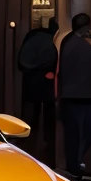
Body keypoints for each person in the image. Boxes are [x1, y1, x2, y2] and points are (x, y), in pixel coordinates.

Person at [57, 11, 91, 181]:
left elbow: (61, 69)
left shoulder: (65, 42)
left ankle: (73, 165)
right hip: (90, 96)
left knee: (72, 133)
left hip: (68, 95)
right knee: (88, 132)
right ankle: (78, 161)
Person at [16, 17, 59, 161]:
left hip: (30, 85)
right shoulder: (51, 42)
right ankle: (48, 155)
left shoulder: (31, 37)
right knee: (49, 123)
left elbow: (21, 63)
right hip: (47, 87)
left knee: (29, 122)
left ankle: (27, 152)